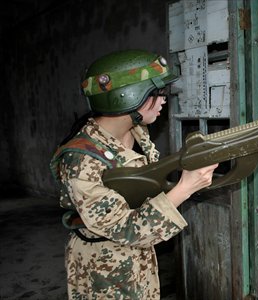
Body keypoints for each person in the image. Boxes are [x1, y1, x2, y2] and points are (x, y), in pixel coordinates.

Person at [50, 49, 218, 299]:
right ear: (126, 96)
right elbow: (126, 229)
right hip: (104, 266)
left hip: (138, 257)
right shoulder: (81, 159)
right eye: (157, 93)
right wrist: (184, 188)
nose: (163, 100)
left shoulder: (137, 131)